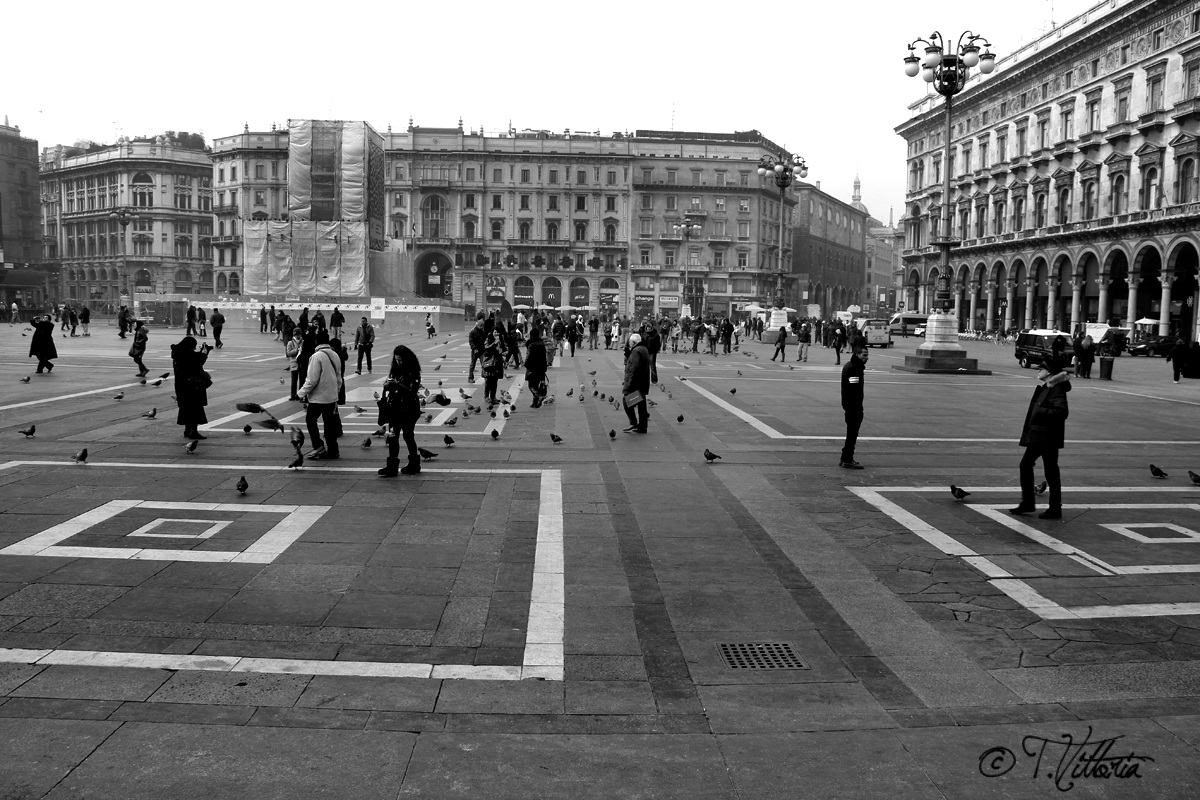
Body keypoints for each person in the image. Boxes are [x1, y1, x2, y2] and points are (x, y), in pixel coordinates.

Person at [1010, 355, 1072, 519]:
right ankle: (1029, 503)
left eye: (1041, 369)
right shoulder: (1048, 387)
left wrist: (1040, 412)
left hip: (1048, 436)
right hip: (1039, 435)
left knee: (1050, 471)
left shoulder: (1056, 389)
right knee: (1027, 465)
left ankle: (1054, 508)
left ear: (1049, 372)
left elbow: (1061, 412)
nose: (1038, 371)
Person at [297, 331, 344, 460]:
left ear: (317, 342)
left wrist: (300, 393)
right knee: (329, 424)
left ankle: (318, 447)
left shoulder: (316, 356)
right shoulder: (335, 355)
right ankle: (333, 450)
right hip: (331, 397)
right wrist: (336, 393)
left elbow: (312, 380)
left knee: (310, 420)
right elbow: (339, 378)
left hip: (319, 398)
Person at [377, 345, 423, 476]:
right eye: (397, 360)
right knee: (392, 436)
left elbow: (412, 391)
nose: (399, 362)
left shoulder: (413, 372)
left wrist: (397, 385)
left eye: (401, 360)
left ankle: (414, 464)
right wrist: (387, 385)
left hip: (409, 410)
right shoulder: (395, 370)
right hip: (395, 409)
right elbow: (390, 385)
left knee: (408, 436)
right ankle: (392, 466)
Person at [171, 336, 210, 440]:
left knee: (186, 408)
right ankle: (194, 431)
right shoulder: (187, 356)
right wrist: (205, 352)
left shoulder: (178, 354)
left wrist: (203, 352)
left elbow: (196, 358)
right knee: (195, 408)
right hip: (192, 386)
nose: (194, 349)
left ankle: (188, 429)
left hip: (181, 385)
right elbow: (198, 362)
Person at [839, 342, 869, 469]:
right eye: (864, 355)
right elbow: (853, 390)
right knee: (852, 434)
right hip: (853, 407)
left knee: (851, 433)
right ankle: (847, 459)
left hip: (851, 406)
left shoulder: (855, 366)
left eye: (867, 355)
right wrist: (855, 408)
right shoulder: (853, 369)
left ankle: (845, 456)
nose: (866, 357)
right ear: (857, 354)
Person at [622, 333, 651, 434]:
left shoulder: (636, 351)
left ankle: (633, 422)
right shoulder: (643, 349)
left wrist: (629, 384)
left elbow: (633, 368)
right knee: (641, 404)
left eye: (630, 342)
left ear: (633, 342)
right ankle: (643, 427)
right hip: (642, 383)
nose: (629, 344)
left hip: (636, 383)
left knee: (626, 400)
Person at [525, 327, 549, 408]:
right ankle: (534, 403)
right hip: (541, 367)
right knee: (537, 384)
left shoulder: (530, 345)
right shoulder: (542, 344)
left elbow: (528, 357)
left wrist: (526, 364)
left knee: (531, 386)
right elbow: (544, 357)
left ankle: (537, 396)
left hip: (532, 367)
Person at [481, 332, 504, 404]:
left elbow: (501, 350)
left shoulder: (499, 340)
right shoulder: (488, 340)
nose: (496, 334)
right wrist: (494, 343)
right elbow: (487, 348)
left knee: (495, 381)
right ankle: (486, 396)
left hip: (497, 364)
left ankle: (493, 397)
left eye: (497, 332)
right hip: (489, 364)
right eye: (495, 332)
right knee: (488, 381)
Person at [467, 312, 486, 382]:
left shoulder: (483, 332)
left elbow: (485, 340)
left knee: (484, 364)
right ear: (478, 325)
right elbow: (471, 341)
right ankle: (470, 377)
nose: (481, 327)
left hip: (482, 350)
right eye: (480, 326)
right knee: (472, 364)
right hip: (475, 351)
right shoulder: (473, 332)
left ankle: (484, 375)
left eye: (482, 326)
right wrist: (474, 348)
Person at [286, 328, 303, 400]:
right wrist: (296, 350)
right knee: (294, 381)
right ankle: (293, 395)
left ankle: (300, 395)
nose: (298, 336)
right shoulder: (290, 343)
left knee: (302, 380)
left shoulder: (303, 342)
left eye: (299, 334)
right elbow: (288, 353)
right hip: (294, 363)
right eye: (296, 335)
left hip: (302, 363)